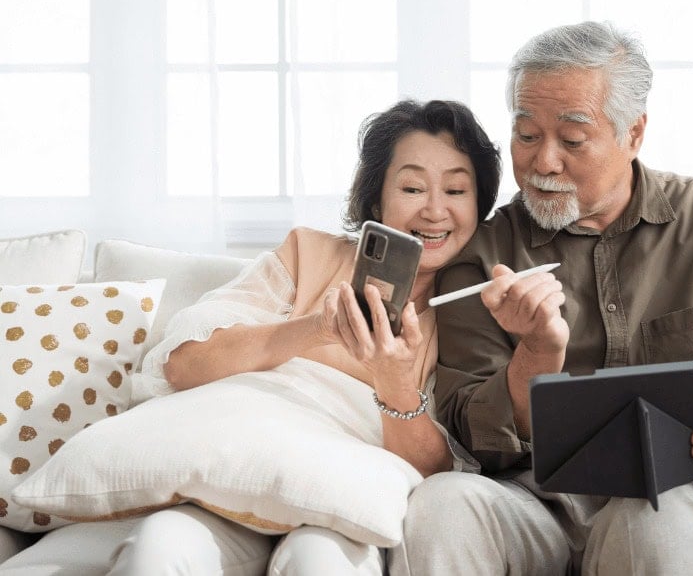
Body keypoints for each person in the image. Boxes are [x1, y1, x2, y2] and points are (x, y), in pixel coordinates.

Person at [389, 21, 693, 575]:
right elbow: (471, 433)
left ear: (634, 134)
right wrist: (534, 356)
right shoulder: (482, 254)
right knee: (441, 506)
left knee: (653, 523)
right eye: (526, 135)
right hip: (532, 500)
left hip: (675, 491)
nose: (543, 162)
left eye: (572, 140)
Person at [0, 99, 502, 576]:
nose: (435, 211)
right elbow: (185, 362)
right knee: (162, 544)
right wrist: (316, 329)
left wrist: (393, 381)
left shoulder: (473, 312)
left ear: (479, 207)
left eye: (456, 191)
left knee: (320, 561)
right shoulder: (307, 253)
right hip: (225, 477)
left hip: (338, 502)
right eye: (413, 189)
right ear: (377, 196)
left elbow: (440, 471)